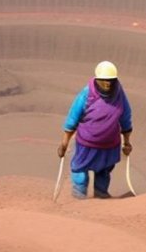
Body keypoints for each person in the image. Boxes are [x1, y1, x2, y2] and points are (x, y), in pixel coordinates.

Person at [57, 61, 133, 199]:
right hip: (86, 144)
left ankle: (100, 196)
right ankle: (79, 199)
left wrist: (127, 142)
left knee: (104, 171)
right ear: (97, 80)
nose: (108, 84)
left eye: (111, 81)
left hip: (110, 145)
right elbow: (72, 118)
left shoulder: (119, 94)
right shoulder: (87, 94)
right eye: (103, 81)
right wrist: (64, 144)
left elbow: (126, 117)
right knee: (80, 170)